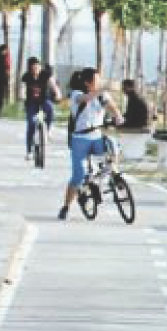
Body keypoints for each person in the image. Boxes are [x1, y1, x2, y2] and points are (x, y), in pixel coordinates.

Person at [58, 67, 124, 220]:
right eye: (96, 80)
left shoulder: (102, 95)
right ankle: (66, 206)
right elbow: (85, 99)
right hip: (80, 140)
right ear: (87, 83)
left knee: (112, 144)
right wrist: (102, 89)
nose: (99, 82)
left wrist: (118, 116)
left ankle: (113, 173)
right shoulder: (77, 94)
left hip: (97, 137)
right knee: (78, 175)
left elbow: (111, 106)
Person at [21, 57, 60, 157]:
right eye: (33, 68)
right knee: (31, 124)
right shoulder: (26, 76)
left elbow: (53, 85)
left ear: (40, 66)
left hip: (44, 101)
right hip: (31, 103)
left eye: (37, 67)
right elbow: (22, 88)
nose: (35, 69)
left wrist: (57, 93)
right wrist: (22, 95)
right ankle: (29, 151)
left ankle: (48, 130)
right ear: (30, 68)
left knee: (50, 108)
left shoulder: (45, 75)